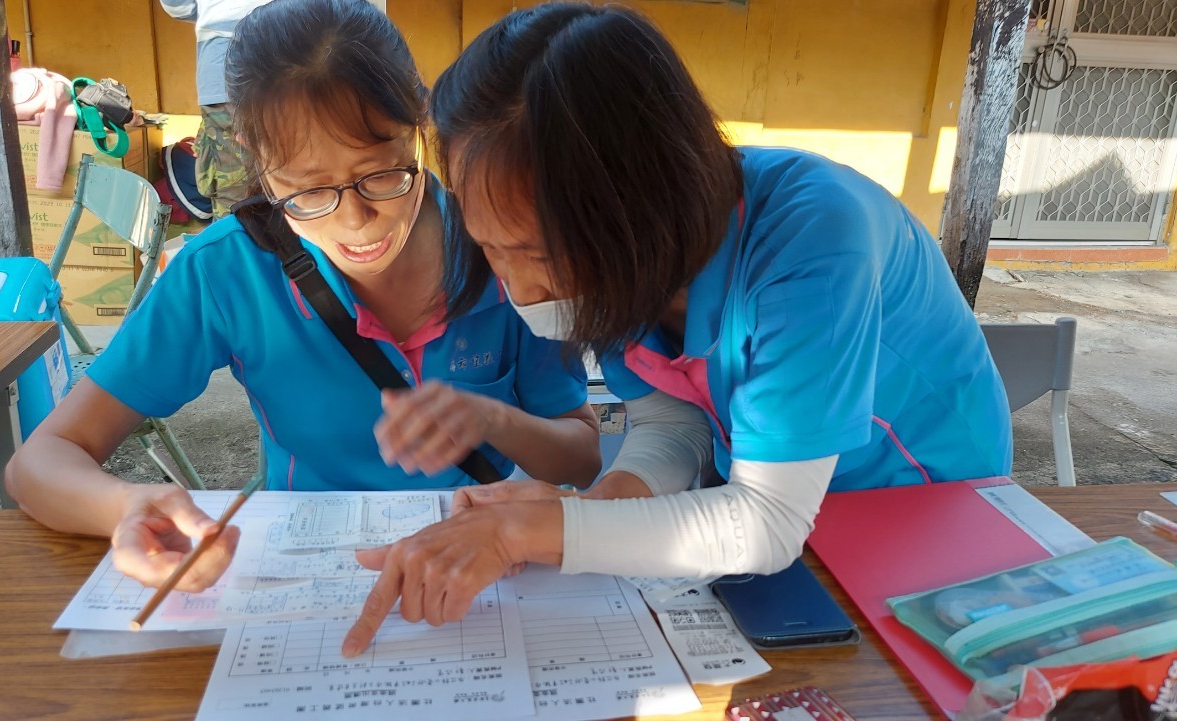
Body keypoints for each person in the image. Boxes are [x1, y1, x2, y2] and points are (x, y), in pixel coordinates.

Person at [340, 2, 1012, 656]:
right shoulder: (622, 261)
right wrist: (590, 513)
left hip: (927, 507)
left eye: (538, 254)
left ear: (637, 207)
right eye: (492, 248)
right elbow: (674, 424)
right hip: (798, 529)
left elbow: (767, 520)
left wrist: (532, 529)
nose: (519, 289)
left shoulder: (812, 244)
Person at [7, 0, 600, 593]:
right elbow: (38, 463)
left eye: (382, 174)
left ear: (418, 122)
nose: (357, 221)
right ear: (254, 154)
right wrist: (124, 506)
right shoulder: (229, 271)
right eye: (307, 191)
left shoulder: (498, 245)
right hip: (309, 570)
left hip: (483, 567)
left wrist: (494, 421)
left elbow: (581, 455)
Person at [158, 0, 272, 217]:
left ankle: (236, 237)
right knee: (300, 182)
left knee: (234, 195)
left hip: (221, 76)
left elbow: (178, 6)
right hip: (292, 71)